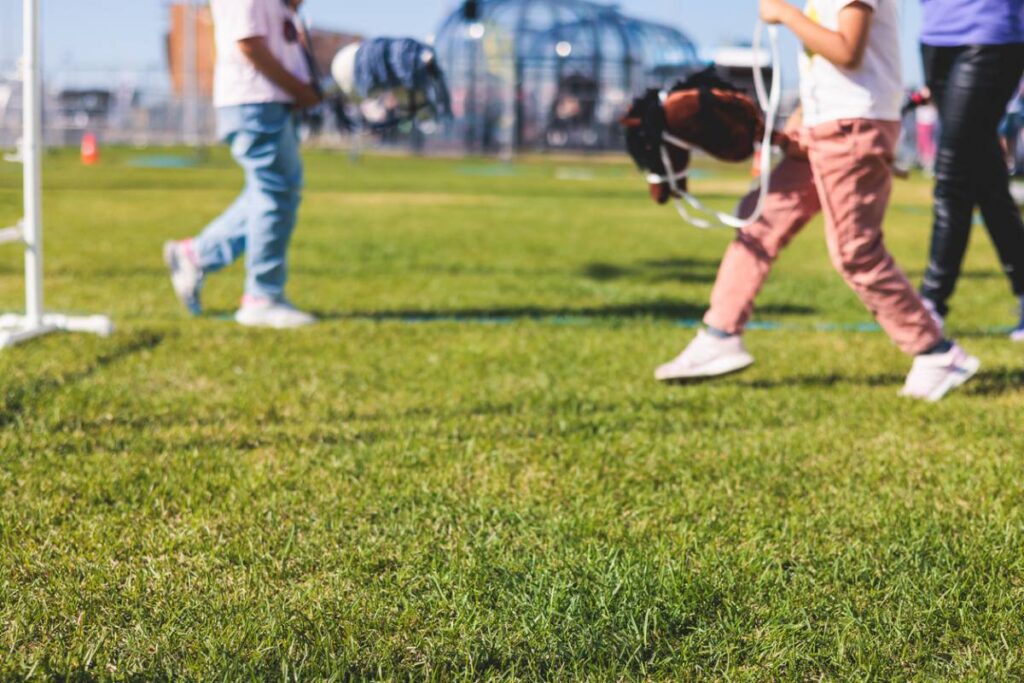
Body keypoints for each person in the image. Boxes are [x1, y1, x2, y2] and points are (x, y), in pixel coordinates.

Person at [655, 0, 980, 401]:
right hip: (824, 126)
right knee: (759, 222)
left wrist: (785, 14)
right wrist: (798, 123)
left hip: (852, 128)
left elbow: (847, 50)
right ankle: (719, 336)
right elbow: (827, 68)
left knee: (855, 252)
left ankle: (937, 353)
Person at [164, 0, 322, 328]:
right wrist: (299, 90)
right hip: (256, 101)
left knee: (267, 193)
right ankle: (262, 298)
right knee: (275, 194)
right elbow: (248, 43)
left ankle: (196, 254)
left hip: (268, 101)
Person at [916, 0, 1024, 341]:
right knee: (987, 181)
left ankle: (930, 304)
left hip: (990, 32)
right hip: (935, 35)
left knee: (952, 175)